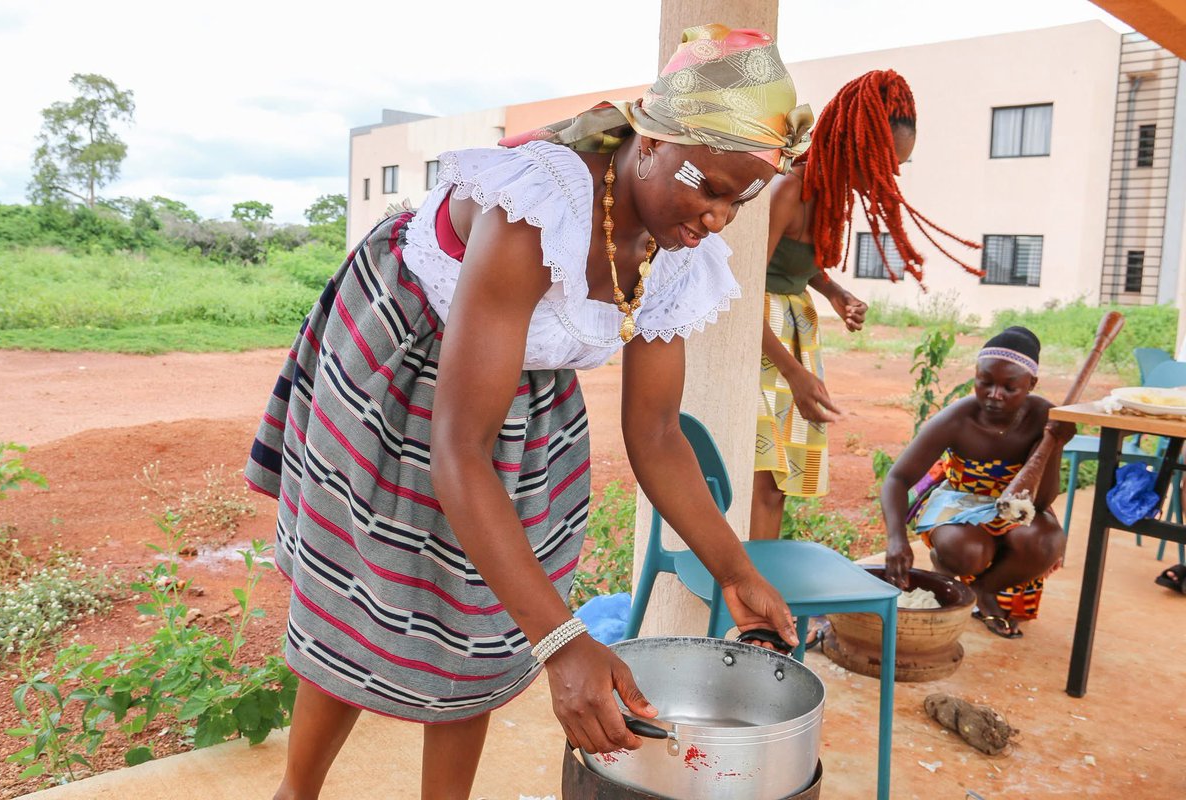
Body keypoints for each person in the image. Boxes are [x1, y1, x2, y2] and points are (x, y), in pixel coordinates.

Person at [244, 25, 812, 800]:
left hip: (519, 397)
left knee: (480, 613)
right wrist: (564, 643)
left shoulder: (677, 253)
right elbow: (458, 449)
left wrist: (734, 569)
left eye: (738, 202)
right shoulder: (536, 204)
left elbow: (654, 431)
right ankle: (296, 792)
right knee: (365, 595)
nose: (717, 219)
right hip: (406, 366)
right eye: (708, 187)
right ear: (647, 141)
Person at [750, 70, 978, 541]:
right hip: (761, 341)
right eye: (880, 162)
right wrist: (792, 370)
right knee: (759, 475)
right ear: (851, 146)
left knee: (780, 481)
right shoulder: (788, 190)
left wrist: (833, 292)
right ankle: (748, 590)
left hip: (792, 331)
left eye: (897, 167)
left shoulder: (828, 197)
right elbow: (742, 287)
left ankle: (761, 587)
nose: (886, 177)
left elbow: (793, 264)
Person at [881, 326, 1075, 638]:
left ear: (1031, 384)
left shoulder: (1044, 416)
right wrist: (896, 538)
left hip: (1018, 507)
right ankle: (945, 560)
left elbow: (1040, 502)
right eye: (985, 383)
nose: (994, 395)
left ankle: (986, 590)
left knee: (1046, 541)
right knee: (968, 551)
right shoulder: (958, 418)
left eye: (1009, 388)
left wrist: (1053, 444)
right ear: (975, 375)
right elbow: (897, 478)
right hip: (959, 503)